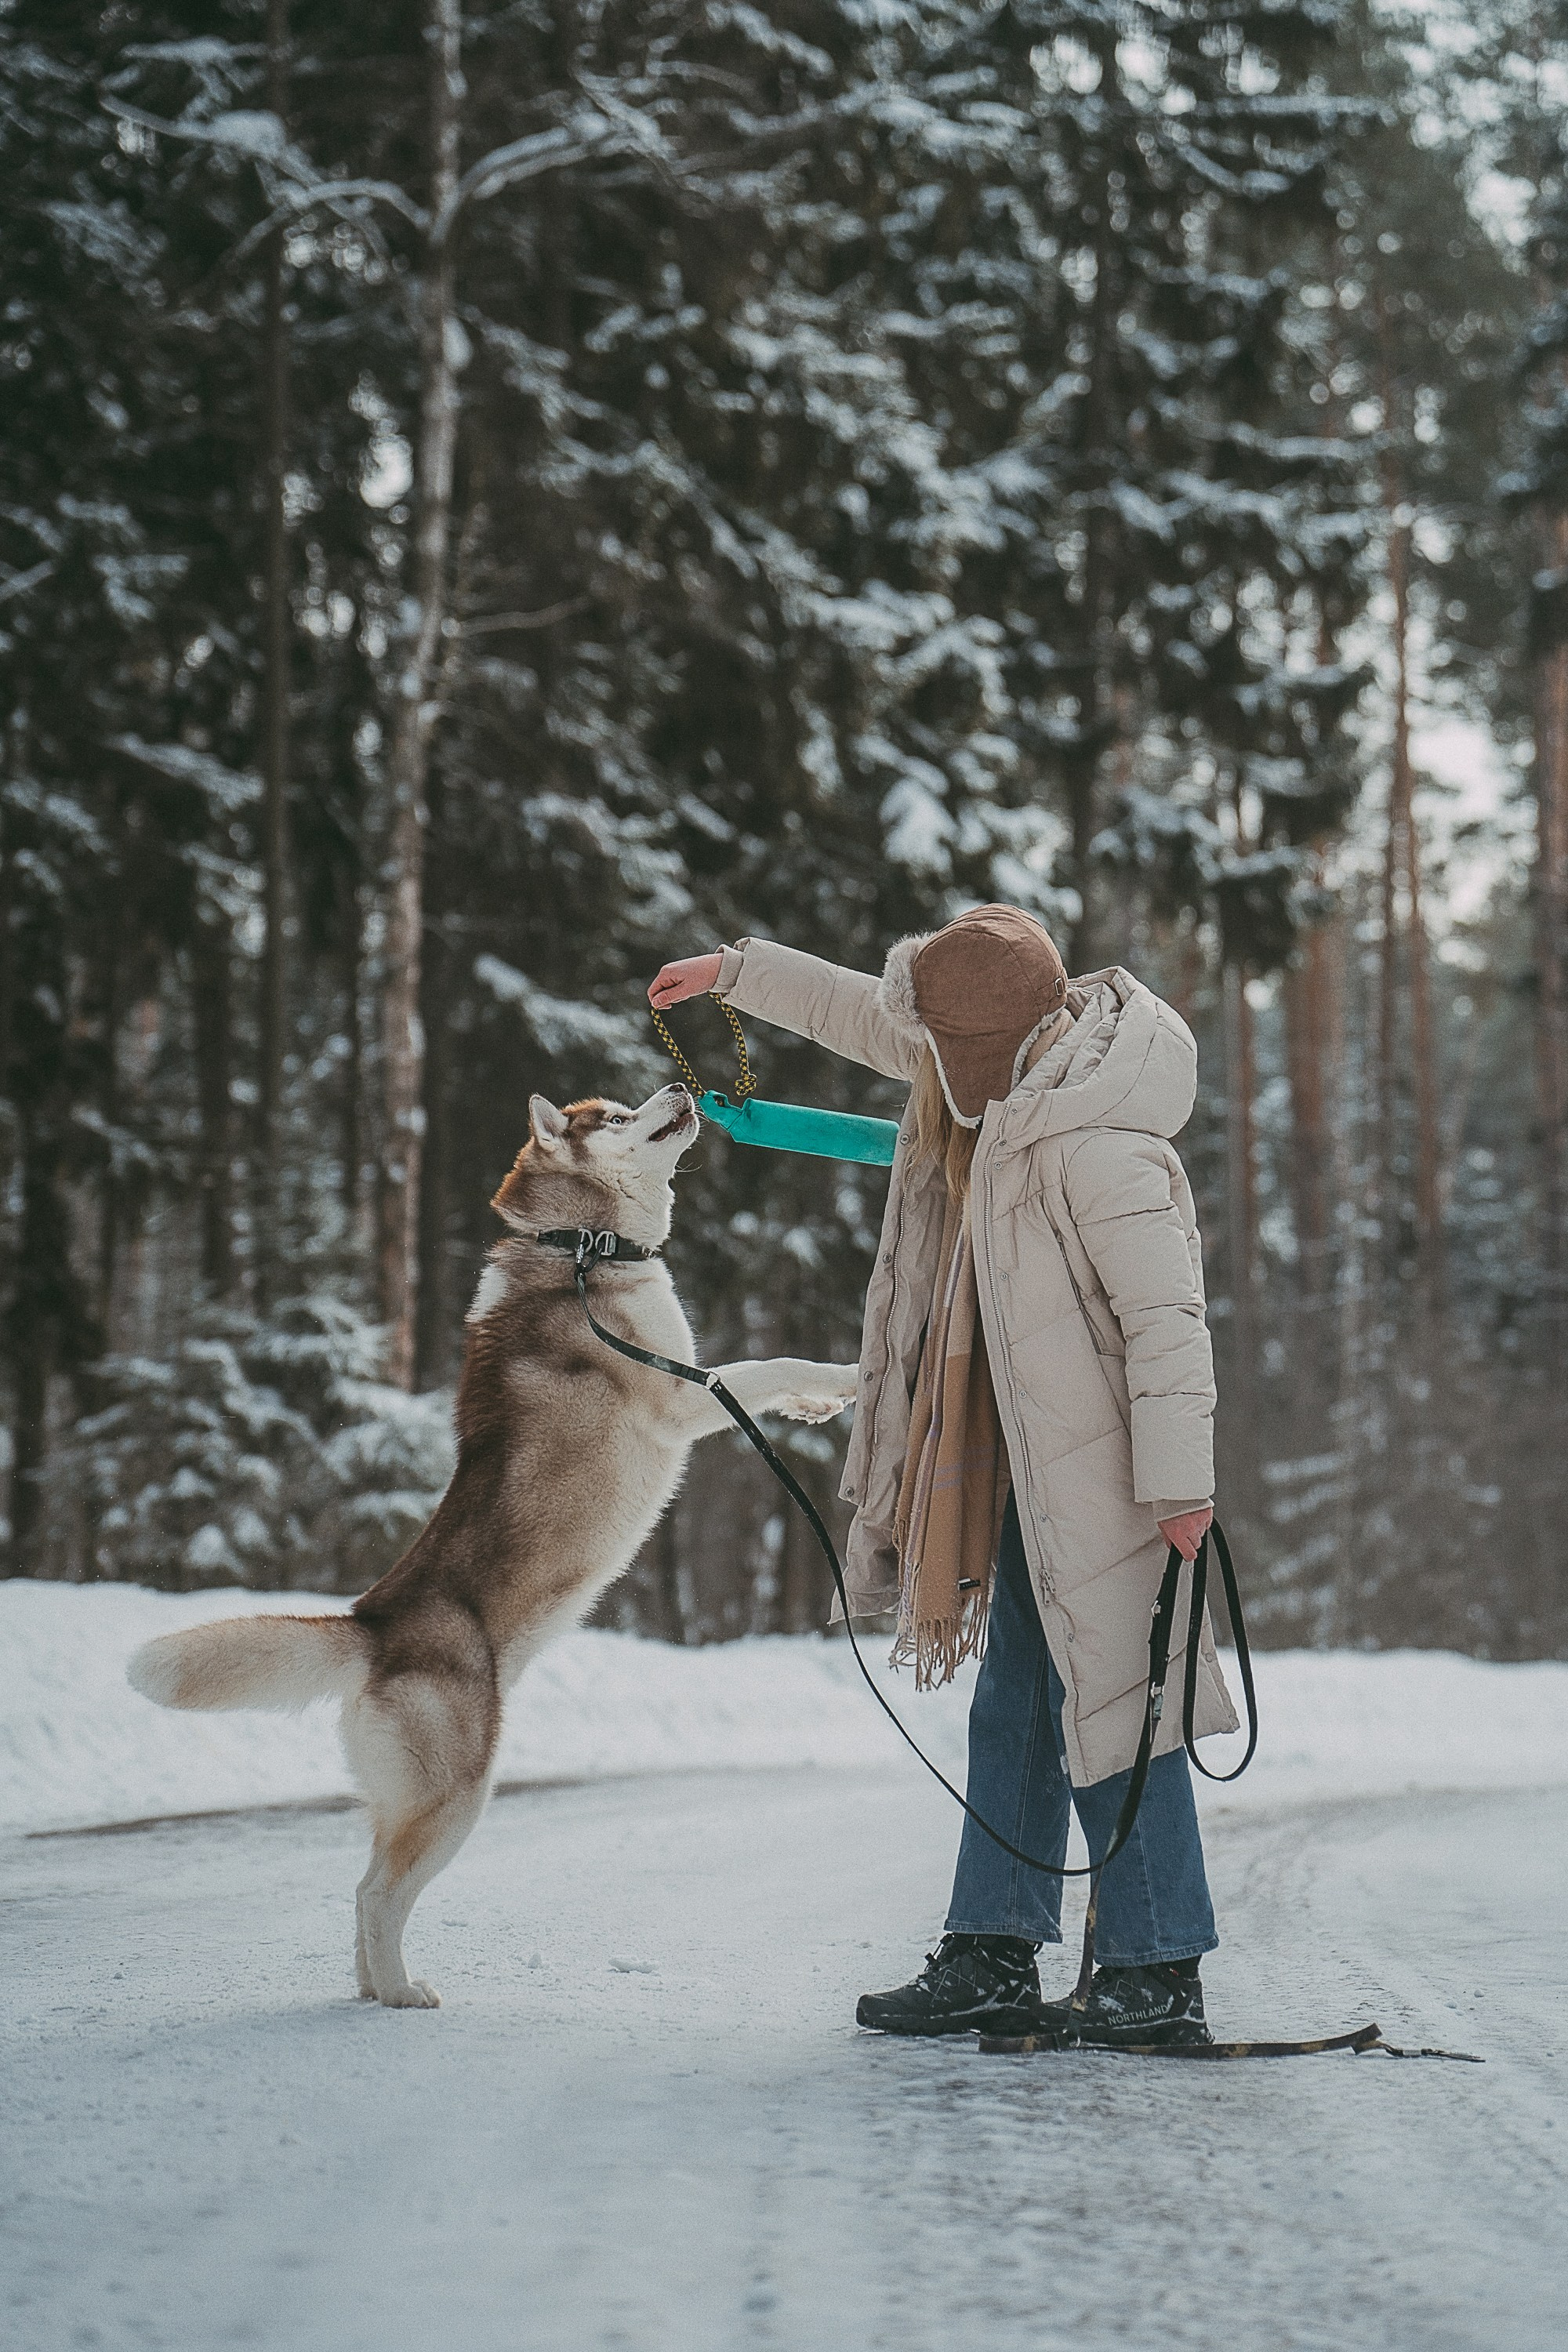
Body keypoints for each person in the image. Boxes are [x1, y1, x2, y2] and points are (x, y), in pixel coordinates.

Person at [648, 907, 1236, 2048]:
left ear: (999, 1045)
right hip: (1014, 1464)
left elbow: (1171, 1328)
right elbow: (871, 1016)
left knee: (1122, 1703)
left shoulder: (1101, 1139)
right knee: (1015, 1703)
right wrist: (737, 973)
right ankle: (992, 1949)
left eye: (949, 1055)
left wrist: (1181, 1487)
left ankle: (1158, 1969)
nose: (933, 1071)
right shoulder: (996, 1075)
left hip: (1111, 1478)